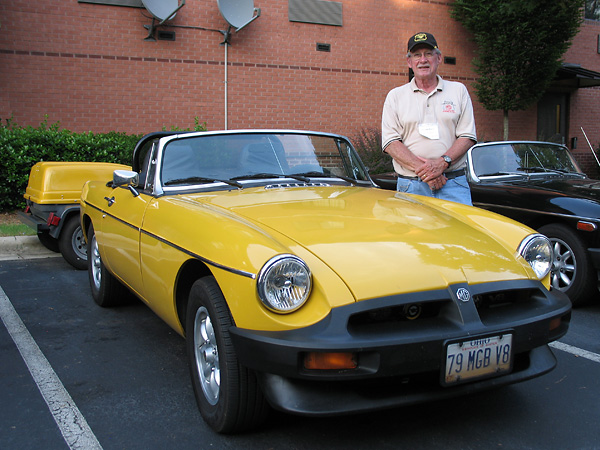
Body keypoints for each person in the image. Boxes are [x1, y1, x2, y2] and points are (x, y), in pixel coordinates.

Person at [381, 32, 477, 205]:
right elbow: (390, 142)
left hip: (453, 183)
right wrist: (426, 172)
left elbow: (467, 136)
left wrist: (442, 163)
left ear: (438, 58)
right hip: (411, 185)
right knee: (411, 233)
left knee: (459, 232)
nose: (423, 60)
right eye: (417, 55)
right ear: (409, 62)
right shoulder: (395, 96)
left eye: (428, 54)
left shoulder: (458, 91)